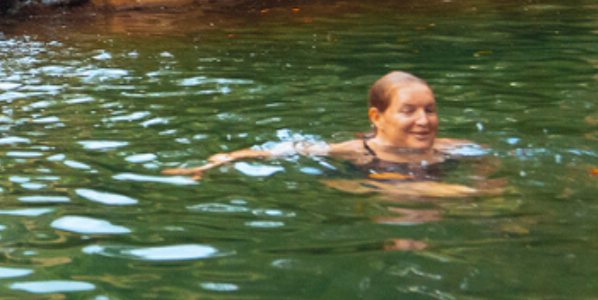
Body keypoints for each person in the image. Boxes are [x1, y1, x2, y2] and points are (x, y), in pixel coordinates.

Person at [163, 71, 478, 183]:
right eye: (409, 111)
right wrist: (224, 159)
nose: (424, 121)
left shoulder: (449, 148)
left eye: (430, 110)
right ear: (377, 117)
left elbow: (487, 158)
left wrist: (486, 182)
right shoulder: (357, 150)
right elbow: (288, 150)